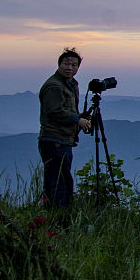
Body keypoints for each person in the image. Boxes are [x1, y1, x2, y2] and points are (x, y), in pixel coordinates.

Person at [38, 48, 91, 209]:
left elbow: (64, 110)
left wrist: (82, 116)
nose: (70, 68)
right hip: (55, 141)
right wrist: (77, 120)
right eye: (66, 63)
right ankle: (56, 218)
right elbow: (55, 112)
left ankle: (57, 217)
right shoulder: (54, 86)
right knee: (58, 184)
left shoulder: (69, 85)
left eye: (74, 65)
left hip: (62, 140)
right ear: (59, 64)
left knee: (62, 181)